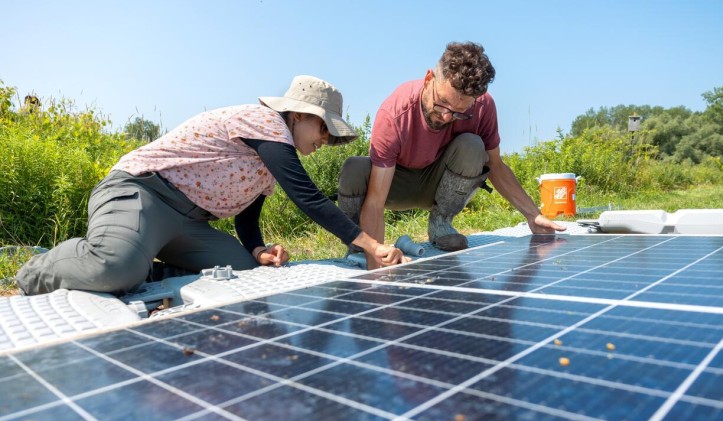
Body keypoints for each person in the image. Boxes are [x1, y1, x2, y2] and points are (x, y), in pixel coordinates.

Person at [16, 75, 405, 296]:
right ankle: (36, 271)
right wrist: (370, 243)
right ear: (300, 115)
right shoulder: (265, 124)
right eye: (324, 129)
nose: (325, 142)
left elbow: (247, 221)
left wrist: (259, 248)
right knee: (113, 266)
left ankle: (141, 268)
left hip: (187, 225)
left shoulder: (269, 163)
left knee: (244, 270)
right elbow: (306, 197)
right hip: (141, 193)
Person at [338, 42, 566, 269]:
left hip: (439, 185)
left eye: (460, 112)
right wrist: (375, 262)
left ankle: (441, 224)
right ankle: (360, 246)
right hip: (395, 184)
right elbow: (376, 200)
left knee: (473, 145)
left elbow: (495, 165)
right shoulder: (394, 114)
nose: (447, 117)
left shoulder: (483, 107)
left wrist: (533, 215)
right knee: (354, 169)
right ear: (429, 79)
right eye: (442, 104)